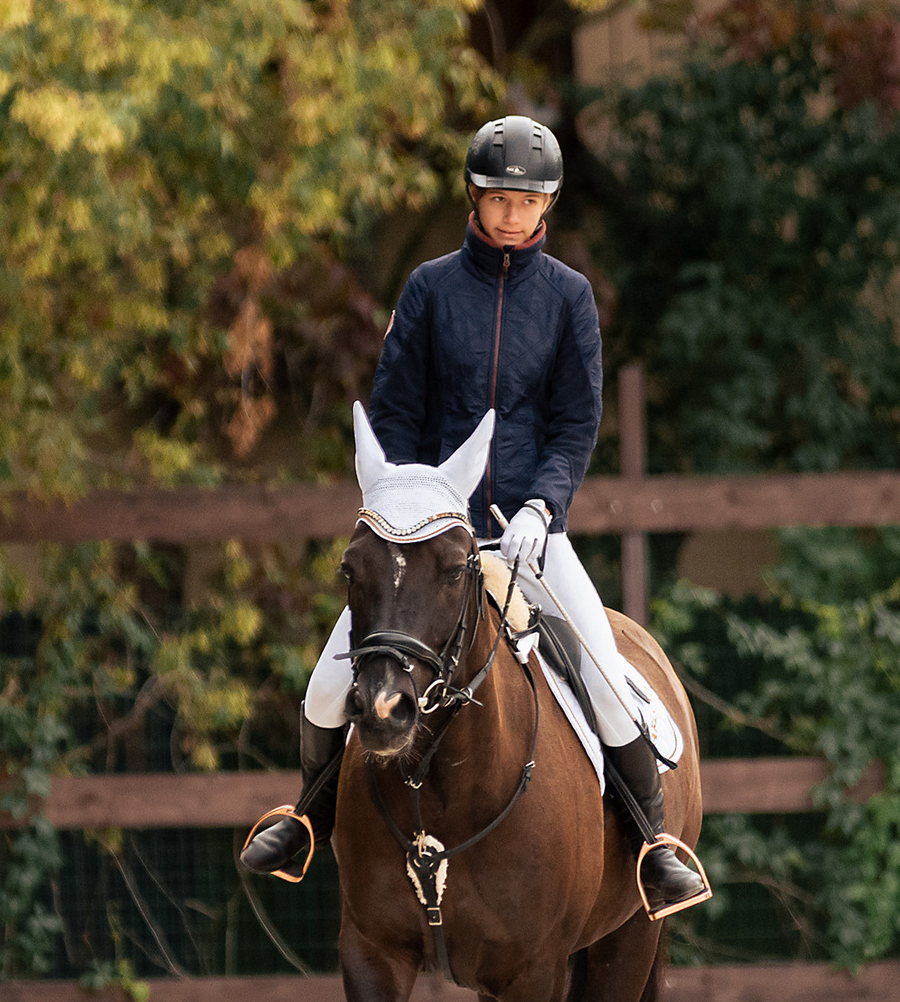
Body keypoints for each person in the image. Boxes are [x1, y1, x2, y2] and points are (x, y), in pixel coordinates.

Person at [236, 116, 710, 919]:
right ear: (474, 197)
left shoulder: (568, 298)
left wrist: (542, 506)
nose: (512, 214)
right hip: (425, 541)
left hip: (528, 533)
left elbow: (575, 424)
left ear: (547, 205)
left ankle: (655, 846)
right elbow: (394, 414)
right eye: (498, 199)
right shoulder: (428, 290)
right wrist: (405, 507)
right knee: (327, 686)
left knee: (605, 676)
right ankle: (306, 820)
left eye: (527, 201)